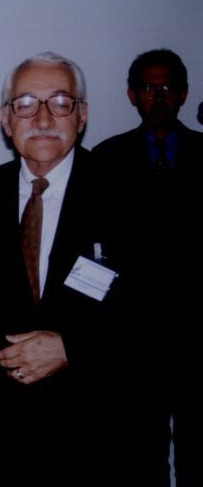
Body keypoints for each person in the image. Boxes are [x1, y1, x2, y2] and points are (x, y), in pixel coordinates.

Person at [0, 52, 115, 487]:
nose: (42, 118)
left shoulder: (133, 194)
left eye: (60, 102)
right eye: (25, 104)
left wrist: (73, 348)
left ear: (82, 115)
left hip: (110, 432)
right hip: (12, 436)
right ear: (6, 119)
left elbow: (170, 314)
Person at [93, 49, 203, 487]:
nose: (159, 96)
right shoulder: (106, 159)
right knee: (139, 462)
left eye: (168, 87)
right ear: (132, 95)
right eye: (149, 87)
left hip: (198, 337)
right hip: (132, 341)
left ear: (184, 94)